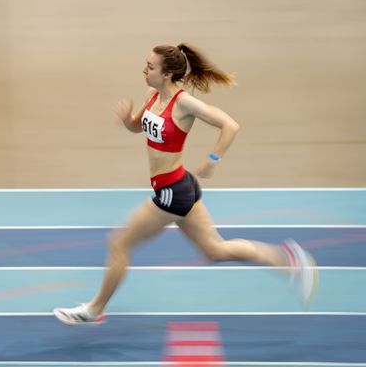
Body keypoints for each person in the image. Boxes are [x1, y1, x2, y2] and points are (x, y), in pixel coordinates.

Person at [53, 43, 318, 325]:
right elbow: (137, 125)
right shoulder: (152, 95)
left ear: (167, 74)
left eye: (150, 67)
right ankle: (289, 261)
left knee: (118, 243)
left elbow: (230, 125)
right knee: (216, 250)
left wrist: (213, 159)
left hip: (172, 193)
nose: (144, 70)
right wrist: (126, 121)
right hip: (182, 185)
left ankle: (94, 309)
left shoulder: (183, 103)